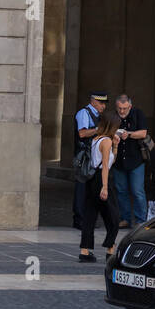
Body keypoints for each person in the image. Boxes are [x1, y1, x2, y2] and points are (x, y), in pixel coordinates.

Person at [79, 108, 121, 261]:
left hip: (92, 179)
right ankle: (111, 248)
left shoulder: (96, 139)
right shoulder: (107, 141)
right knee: (114, 216)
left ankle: (85, 250)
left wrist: (116, 146)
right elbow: (106, 166)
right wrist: (104, 187)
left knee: (90, 215)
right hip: (102, 179)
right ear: (112, 125)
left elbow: (110, 161)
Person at [113, 93, 149, 229]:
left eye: (125, 108)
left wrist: (129, 134)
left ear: (130, 106)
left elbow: (143, 133)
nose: (122, 111)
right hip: (118, 161)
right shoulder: (113, 117)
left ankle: (141, 220)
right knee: (121, 190)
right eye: (119, 108)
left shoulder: (138, 114)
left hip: (136, 159)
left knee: (137, 191)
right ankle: (125, 218)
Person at [72, 90, 107, 230]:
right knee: (81, 188)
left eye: (104, 103)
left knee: (91, 189)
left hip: (93, 156)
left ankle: (88, 219)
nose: (103, 106)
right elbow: (82, 133)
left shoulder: (98, 115)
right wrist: (99, 130)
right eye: (101, 103)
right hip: (84, 156)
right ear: (93, 101)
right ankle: (79, 219)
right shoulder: (84, 113)